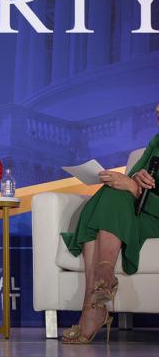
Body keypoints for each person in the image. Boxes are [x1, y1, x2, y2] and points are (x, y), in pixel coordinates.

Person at [61, 108, 159, 344]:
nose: (157, 110)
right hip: (139, 212)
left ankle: (93, 306)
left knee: (109, 200)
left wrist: (134, 189)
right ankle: (103, 281)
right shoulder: (156, 141)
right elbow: (133, 180)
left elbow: (134, 191)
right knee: (111, 192)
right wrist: (135, 181)